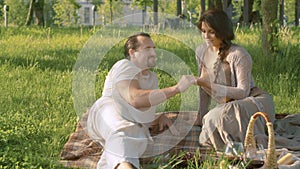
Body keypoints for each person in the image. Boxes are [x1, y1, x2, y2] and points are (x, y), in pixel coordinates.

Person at [87, 32, 195, 169]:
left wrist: (157, 118)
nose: (154, 53)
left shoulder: (152, 78)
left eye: (154, 48)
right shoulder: (125, 66)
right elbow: (135, 99)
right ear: (132, 53)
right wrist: (176, 89)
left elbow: (140, 112)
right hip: (107, 111)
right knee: (124, 130)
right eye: (148, 49)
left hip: (132, 123)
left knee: (135, 135)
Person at [194, 9, 275, 151]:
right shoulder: (201, 51)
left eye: (211, 31)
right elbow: (203, 89)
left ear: (222, 31)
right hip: (228, 104)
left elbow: (243, 92)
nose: (206, 36)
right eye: (203, 31)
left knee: (217, 116)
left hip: (251, 100)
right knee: (211, 116)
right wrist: (201, 115)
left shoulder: (238, 54)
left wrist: (209, 85)